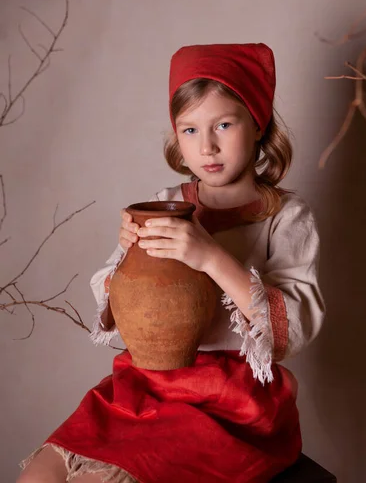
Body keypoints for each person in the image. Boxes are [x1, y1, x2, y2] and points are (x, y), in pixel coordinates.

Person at [18, 43, 325, 483]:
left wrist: (210, 256)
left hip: (233, 401)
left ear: (258, 126)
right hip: (147, 385)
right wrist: (127, 257)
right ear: (176, 138)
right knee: (38, 477)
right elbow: (120, 310)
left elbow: (292, 328)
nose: (208, 146)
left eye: (223, 124)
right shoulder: (164, 205)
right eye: (190, 130)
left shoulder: (287, 217)